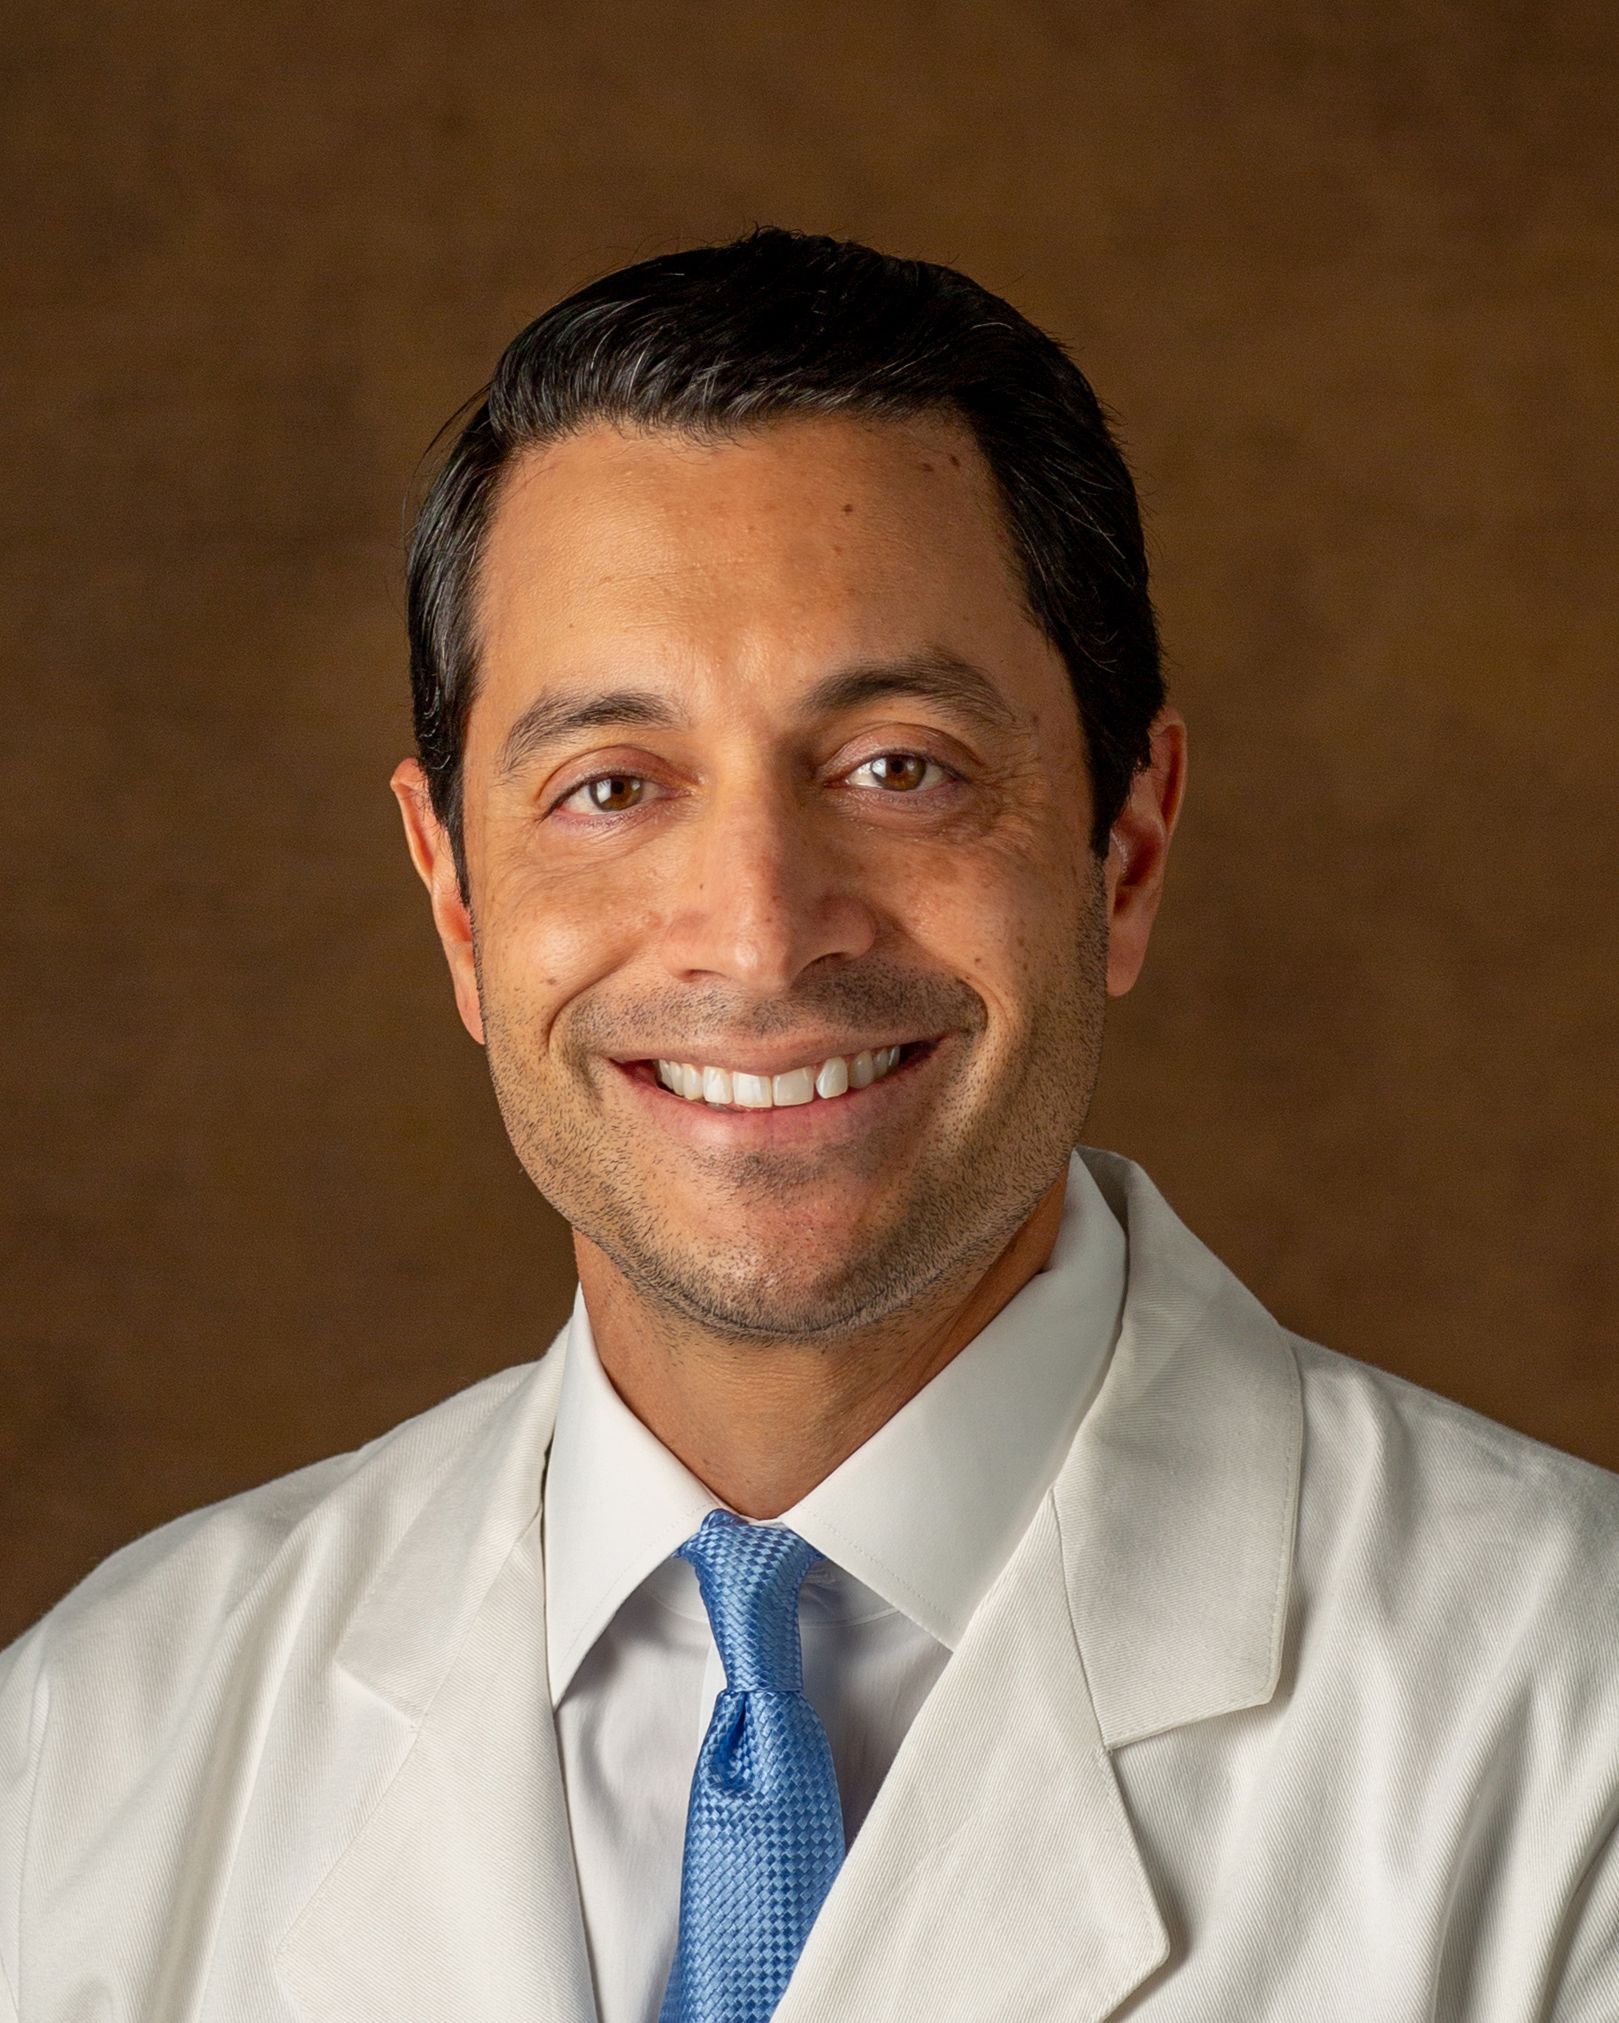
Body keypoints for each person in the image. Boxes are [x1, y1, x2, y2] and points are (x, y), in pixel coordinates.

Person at [1, 228, 1614, 2023]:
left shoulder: (1573, 1726)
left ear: (1127, 848)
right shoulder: (88, 1745)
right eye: (611, 788)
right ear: (455, 899)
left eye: (899, 768)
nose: (763, 933)